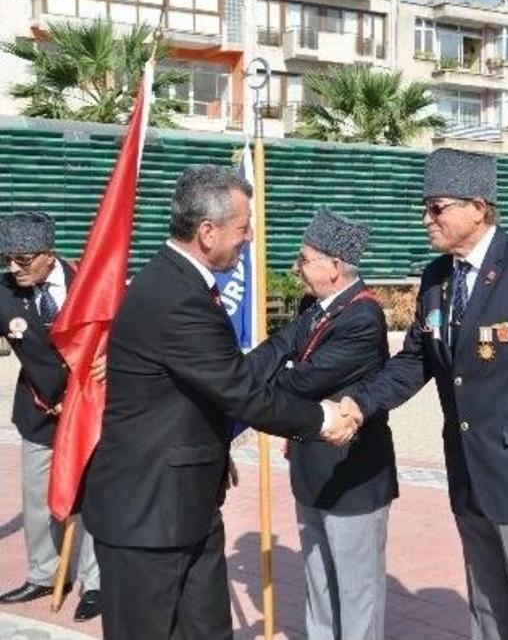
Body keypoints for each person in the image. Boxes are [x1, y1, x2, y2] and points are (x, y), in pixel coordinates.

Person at [80, 165, 362, 640]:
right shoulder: (177, 297)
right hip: (148, 516)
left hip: (184, 502)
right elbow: (240, 391)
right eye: (243, 228)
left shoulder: (178, 282)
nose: (249, 239)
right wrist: (323, 417)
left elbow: (193, 391)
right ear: (207, 232)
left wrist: (211, 446)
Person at [350, 148, 508, 640]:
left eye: (436, 208)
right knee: (486, 611)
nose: (426, 219)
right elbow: (416, 360)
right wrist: (358, 404)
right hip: (467, 474)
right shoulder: (437, 278)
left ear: (478, 208)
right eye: (425, 208)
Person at [248, 208, 394, 640]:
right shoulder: (316, 308)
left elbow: (303, 381)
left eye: (303, 259)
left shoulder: (362, 316)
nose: (296, 268)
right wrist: (234, 377)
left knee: (356, 590)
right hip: (312, 467)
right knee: (319, 583)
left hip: (352, 475)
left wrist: (277, 375)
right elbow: (279, 347)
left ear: (334, 266)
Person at [0, 211, 102, 621]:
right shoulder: (4, 290)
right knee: (39, 497)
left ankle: (95, 582)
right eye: (7, 258)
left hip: (90, 408)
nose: (14, 268)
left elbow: (127, 328)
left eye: (23, 259)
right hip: (39, 409)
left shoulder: (89, 282)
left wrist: (115, 359)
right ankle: (44, 573)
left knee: (93, 497)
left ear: (49, 254)